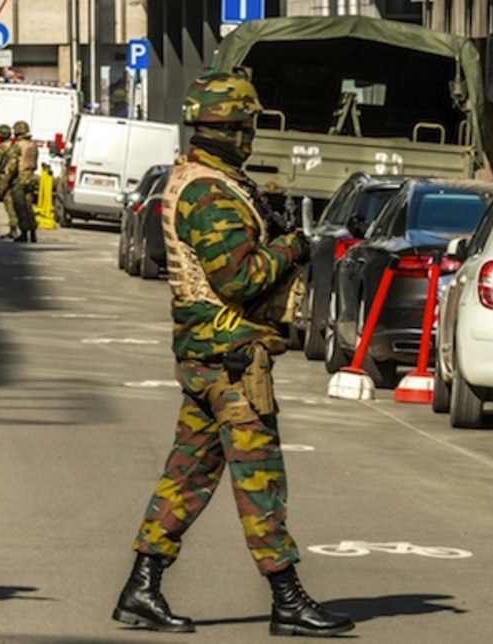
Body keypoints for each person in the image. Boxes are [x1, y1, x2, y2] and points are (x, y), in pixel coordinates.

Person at [111, 70, 354, 638]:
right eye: (247, 126)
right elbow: (239, 278)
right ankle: (288, 599)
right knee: (260, 478)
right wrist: (294, 244)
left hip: (209, 358)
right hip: (232, 360)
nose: (251, 137)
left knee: (187, 475)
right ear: (231, 129)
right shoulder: (207, 191)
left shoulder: (205, 180)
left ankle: (140, 588)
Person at [3, 120, 38, 243]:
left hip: (20, 178)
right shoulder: (32, 145)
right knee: (29, 206)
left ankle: (24, 233)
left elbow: (12, 164)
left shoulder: (17, 145)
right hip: (31, 177)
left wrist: (7, 177)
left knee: (20, 206)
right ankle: (33, 232)